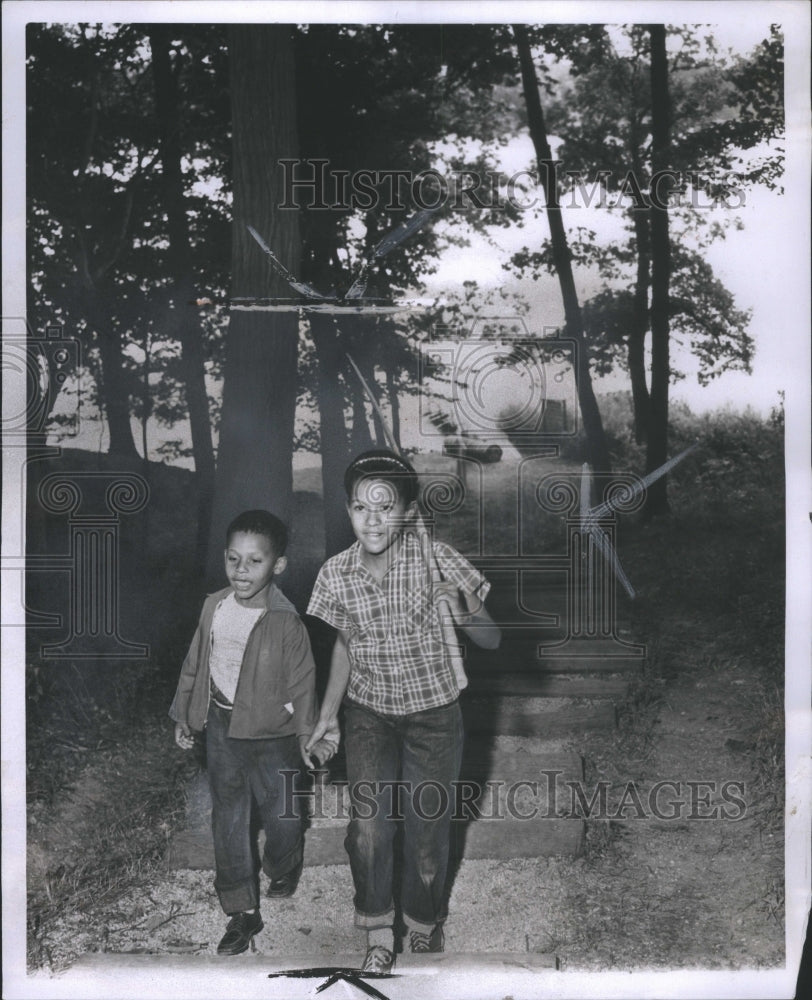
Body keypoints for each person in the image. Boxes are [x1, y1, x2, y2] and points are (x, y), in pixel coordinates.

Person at [305, 451, 500, 972]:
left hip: (434, 716)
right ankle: (375, 924)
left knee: (427, 829)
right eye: (360, 507)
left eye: (385, 506)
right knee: (369, 827)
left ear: (407, 511)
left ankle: (421, 921)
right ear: (347, 511)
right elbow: (345, 649)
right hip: (368, 714)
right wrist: (327, 716)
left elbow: (492, 638)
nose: (372, 519)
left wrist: (462, 609)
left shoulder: (436, 557)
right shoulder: (335, 574)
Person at [170, 509, 336, 956]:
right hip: (224, 728)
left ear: (277, 565)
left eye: (254, 561)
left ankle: (284, 862)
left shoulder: (286, 621)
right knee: (229, 817)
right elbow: (195, 663)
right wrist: (186, 715)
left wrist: (309, 736)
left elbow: (303, 683)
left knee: (283, 815)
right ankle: (241, 910)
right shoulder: (214, 606)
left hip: (275, 736)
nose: (241, 570)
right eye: (233, 559)